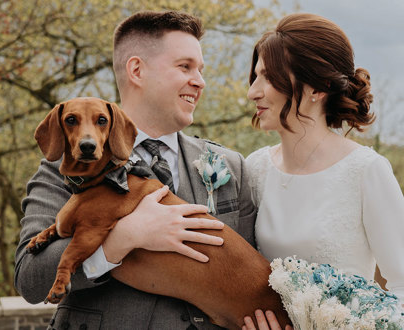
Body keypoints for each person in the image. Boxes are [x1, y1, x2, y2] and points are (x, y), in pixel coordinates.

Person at [15, 11, 257, 329]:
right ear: (137, 70)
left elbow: (249, 274)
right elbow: (30, 279)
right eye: (185, 66)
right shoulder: (63, 169)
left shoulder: (230, 166)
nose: (200, 81)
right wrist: (122, 239)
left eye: (200, 69)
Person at [242, 13, 404, 330]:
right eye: (255, 76)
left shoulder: (366, 171)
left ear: (318, 87)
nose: (253, 92)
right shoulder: (254, 168)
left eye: (269, 77)